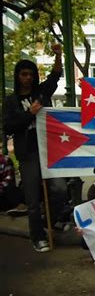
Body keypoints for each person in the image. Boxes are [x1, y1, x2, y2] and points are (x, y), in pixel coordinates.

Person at [3, 44, 68, 252]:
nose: (28, 78)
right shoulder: (11, 101)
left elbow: (56, 75)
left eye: (31, 74)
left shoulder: (41, 92)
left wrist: (58, 55)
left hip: (49, 149)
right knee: (32, 198)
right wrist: (30, 113)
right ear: (17, 76)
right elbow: (9, 126)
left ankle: (49, 221)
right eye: (23, 74)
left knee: (59, 189)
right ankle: (37, 236)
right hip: (28, 153)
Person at [0, 151, 27, 216]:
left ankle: (22, 205)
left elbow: (8, 179)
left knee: (10, 187)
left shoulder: (5, 160)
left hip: (5, 194)